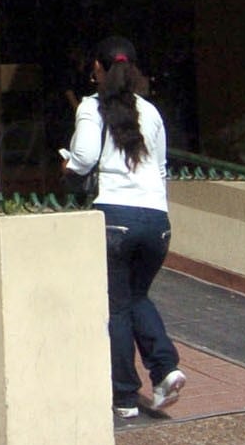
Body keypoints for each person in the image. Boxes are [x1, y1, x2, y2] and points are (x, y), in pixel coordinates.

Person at [63, 36, 184, 421]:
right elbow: (162, 167)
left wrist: (66, 168)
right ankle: (165, 369)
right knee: (137, 297)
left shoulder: (90, 106)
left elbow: (83, 158)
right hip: (156, 219)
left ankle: (126, 398)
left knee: (116, 307)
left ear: (97, 69)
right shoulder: (150, 111)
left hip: (115, 217)